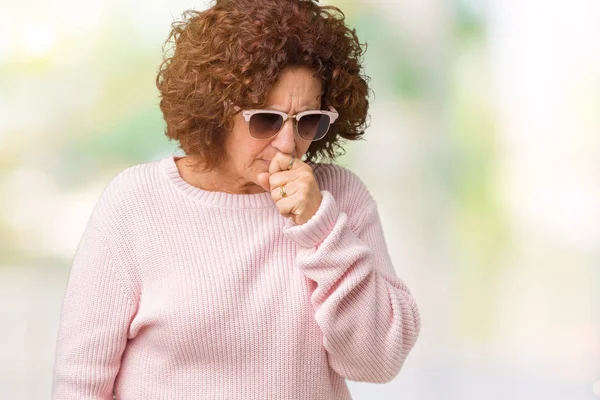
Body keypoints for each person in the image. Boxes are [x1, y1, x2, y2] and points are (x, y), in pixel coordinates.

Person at [51, 0, 421, 398]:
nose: (287, 144)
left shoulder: (340, 199)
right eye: (266, 119)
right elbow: (80, 385)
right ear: (215, 110)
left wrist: (321, 228)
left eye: (308, 121)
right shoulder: (136, 205)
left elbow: (377, 362)